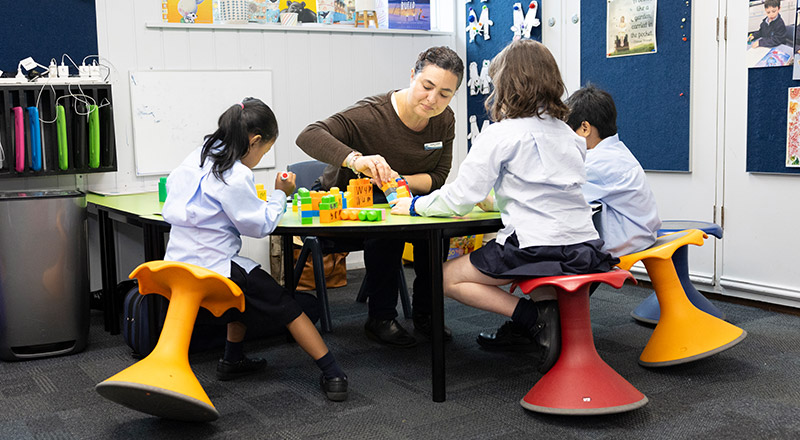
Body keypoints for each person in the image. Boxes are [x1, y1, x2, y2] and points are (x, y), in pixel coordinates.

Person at [391, 40, 619, 373]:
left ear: (506, 85)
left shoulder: (500, 134)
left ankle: (529, 318)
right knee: (538, 270)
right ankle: (540, 323)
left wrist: (413, 206)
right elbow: (547, 184)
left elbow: (459, 198)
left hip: (534, 248)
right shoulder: (571, 136)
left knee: (444, 278)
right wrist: (500, 197)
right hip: (583, 246)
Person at [162, 98, 348, 401]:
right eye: (264, 151)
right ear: (255, 140)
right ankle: (333, 372)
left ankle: (232, 360)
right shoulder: (234, 175)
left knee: (243, 296)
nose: (260, 158)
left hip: (177, 265)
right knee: (287, 305)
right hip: (214, 267)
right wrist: (279, 194)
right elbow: (260, 227)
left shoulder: (197, 158)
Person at [295, 46, 465, 348]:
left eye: (445, 94)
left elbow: (438, 177)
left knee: (436, 233)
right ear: (412, 75)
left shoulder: (444, 120)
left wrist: (396, 181)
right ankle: (381, 318)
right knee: (388, 232)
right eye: (427, 87)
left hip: (400, 201)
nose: (432, 100)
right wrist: (355, 160)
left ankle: (426, 314)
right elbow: (308, 135)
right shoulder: (369, 115)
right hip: (347, 206)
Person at [565, 84, 661, 258]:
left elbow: (560, 193)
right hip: (642, 233)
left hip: (626, 241)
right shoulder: (616, 152)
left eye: (570, 132)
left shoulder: (597, 164)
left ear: (585, 128)